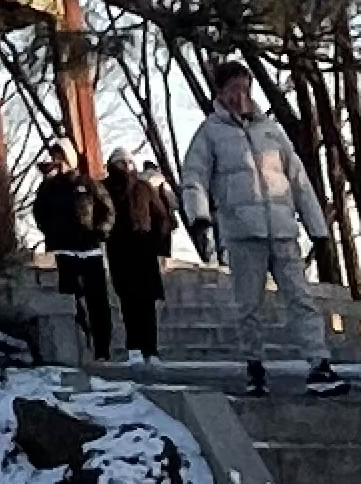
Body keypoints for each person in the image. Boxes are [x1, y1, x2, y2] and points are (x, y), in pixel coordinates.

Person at [179, 61, 342, 396]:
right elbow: (194, 177)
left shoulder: (271, 131)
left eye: (245, 88)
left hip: (283, 229)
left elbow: (298, 180)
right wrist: (199, 217)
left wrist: (318, 228)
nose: (240, 96)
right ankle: (254, 366)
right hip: (242, 233)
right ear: (221, 94)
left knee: (301, 298)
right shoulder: (210, 132)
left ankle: (319, 364)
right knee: (248, 306)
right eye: (233, 89)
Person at [33, 148, 116, 359]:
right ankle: (78, 346)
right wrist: (52, 232)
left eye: (60, 157)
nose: (57, 162)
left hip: (90, 250)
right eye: (54, 157)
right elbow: (39, 213)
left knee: (98, 302)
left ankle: (102, 348)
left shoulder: (88, 183)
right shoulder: (49, 187)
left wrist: (100, 231)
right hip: (62, 251)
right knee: (70, 300)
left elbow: (107, 209)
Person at [104, 149, 178, 364]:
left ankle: (151, 349)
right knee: (128, 300)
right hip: (119, 248)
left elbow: (160, 215)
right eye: (121, 162)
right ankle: (134, 346)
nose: (127, 166)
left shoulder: (143, 187)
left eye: (129, 162)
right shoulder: (105, 188)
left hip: (144, 248)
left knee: (146, 301)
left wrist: (159, 242)